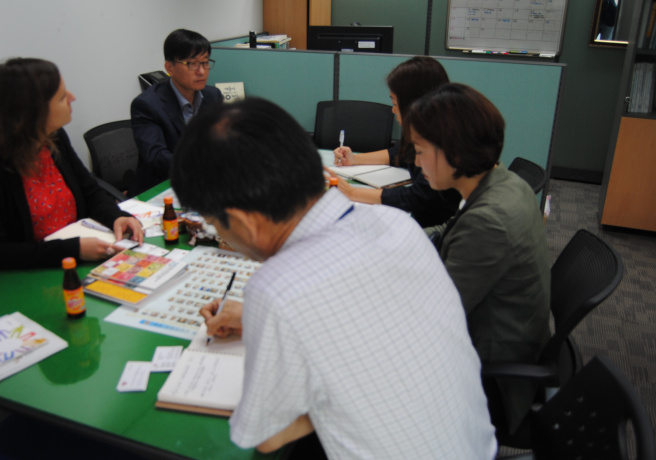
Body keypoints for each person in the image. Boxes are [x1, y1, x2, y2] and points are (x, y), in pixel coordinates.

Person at [171, 98, 497, 458]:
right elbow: (367, 320)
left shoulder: (277, 289)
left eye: (214, 224)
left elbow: (268, 436)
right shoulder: (397, 225)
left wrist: (331, 396)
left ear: (243, 221)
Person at [405, 83, 551, 440]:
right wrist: (394, 239)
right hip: (494, 339)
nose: (416, 163)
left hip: (488, 382)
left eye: (420, 151)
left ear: (454, 153)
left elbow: (431, 316)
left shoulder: (489, 222)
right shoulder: (504, 182)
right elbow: (449, 230)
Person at [0, 58, 143, 280]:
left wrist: (116, 217)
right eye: (61, 96)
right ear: (34, 111)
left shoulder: (54, 138)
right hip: (25, 277)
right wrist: (74, 249)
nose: (72, 97)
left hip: (73, 266)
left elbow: (90, 191)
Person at [328, 56, 460, 227]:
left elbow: (417, 198)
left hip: (432, 227)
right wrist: (355, 159)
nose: (393, 110)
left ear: (414, 104)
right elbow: (399, 153)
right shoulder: (424, 128)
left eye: (396, 103)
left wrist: (352, 193)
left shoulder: (442, 142)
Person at [129, 29, 224, 196]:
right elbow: (156, 157)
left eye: (205, 62)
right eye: (192, 64)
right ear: (169, 68)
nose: (201, 71)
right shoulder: (147, 105)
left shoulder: (213, 96)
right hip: (162, 189)